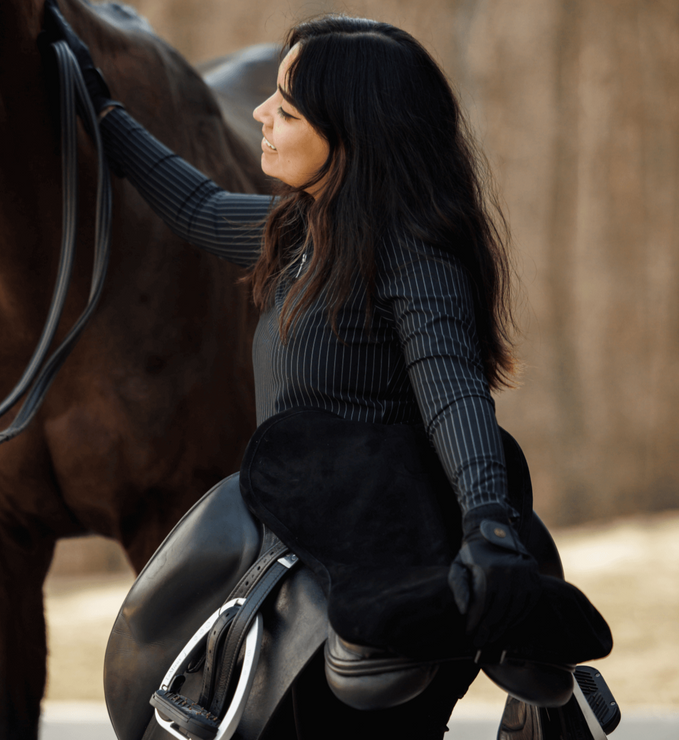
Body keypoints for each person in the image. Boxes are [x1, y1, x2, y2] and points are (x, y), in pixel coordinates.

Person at [43, 8, 545, 738]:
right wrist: (105, 111)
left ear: (350, 132)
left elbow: (454, 393)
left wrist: (490, 523)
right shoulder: (301, 228)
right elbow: (197, 205)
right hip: (302, 544)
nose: (260, 115)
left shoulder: (414, 256)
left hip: (384, 565)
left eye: (286, 106)